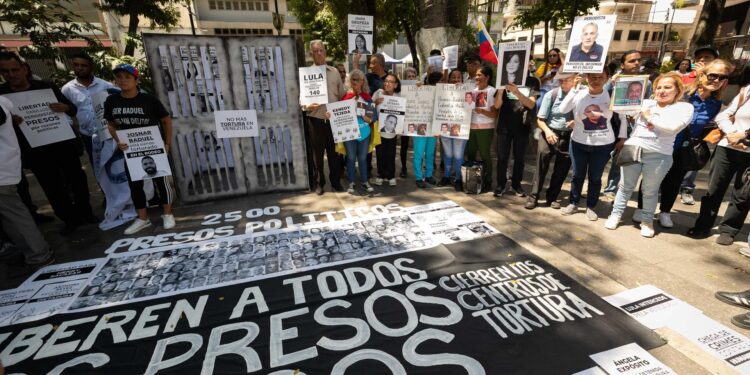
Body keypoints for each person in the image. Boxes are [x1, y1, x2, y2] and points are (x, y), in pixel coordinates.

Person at [0, 52, 93, 236]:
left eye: (15, 70)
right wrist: (10, 122)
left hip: (62, 143)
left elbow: (72, 109)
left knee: (77, 179)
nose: (11, 75)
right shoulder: (2, 95)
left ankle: (86, 213)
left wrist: (64, 107)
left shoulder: (46, 87)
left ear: (24, 69)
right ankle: (69, 219)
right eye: (5, 71)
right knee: (52, 187)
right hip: (34, 150)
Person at [634, 59, 731, 228]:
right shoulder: (683, 94)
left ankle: (665, 211)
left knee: (674, 181)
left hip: (685, 149)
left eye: (721, 77)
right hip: (662, 142)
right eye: (713, 75)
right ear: (702, 75)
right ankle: (642, 208)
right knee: (651, 177)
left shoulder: (715, 104)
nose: (716, 80)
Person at [605, 72, 693, 237]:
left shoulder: (684, 107)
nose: (661, 91)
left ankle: (647, 221)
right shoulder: (645, 102)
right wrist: (617, 87)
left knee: (650, 190)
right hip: (634, 149)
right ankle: (615, 215)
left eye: (667, 87)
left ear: (677, 90)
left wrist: (648, 117)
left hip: (660, 155)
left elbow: (672, 128)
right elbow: (618, 107)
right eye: (658, 87)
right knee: (625, 187)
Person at [106, 64, 176, 235]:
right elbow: (110, 124)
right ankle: (142, 218)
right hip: (131, 150)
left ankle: (167, 214)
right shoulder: (112, 101)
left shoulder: (149, 100)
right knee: (135, 184)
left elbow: (166, 120)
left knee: (161, 181)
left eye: (127, 77)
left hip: (153, 146)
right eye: (119, 77)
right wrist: (118, 140)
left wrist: (167, 144)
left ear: (136, 80)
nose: (122, 80)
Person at [559, 69, 626, 220]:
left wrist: (622, 138)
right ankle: (574, 202)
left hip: (603, 145)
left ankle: (591, 206)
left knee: (595, 177)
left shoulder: (612, 94)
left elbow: (623, 117)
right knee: (577, 175)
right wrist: (574, 89)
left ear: (606, 78)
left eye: (600, 77)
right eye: (593, 77)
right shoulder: (579, 93)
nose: (596, 80)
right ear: (586, 77)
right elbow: (563, 109)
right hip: (578, 142)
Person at [689, 82, 750, 245]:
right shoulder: (746, 91)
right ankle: (703, 225)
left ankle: (728, 230)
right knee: (714, 188)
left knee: (743, 193)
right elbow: (723, 115)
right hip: (726, 147)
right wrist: (731, 133)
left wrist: (743, 135)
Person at [0, 97, 54, 272]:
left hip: (2, 171)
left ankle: (38, 254)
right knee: (10, 215)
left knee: (13, 214)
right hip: (5, 168)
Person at [603, 50, 650, 200]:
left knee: (620, 158)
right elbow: (602, 97)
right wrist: (611, 84)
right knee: (602, 156)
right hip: (611, 124)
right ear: (622, 65)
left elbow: (647, 103)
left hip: (631, 126)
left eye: (638, 60)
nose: (636, 63)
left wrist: (636, 116)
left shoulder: (646, 83)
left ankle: (611, 188)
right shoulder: (614, 80)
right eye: (632, 61)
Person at [526, 72, 576, 209]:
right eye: (561, 80)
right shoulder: (551, 95)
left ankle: (552, 197)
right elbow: (540, 119)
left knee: (562, 169)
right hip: (549, 133)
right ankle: (534, 197)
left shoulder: (579, 96)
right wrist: (548, 132)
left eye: (567, 80)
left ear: (575, 80)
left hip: (568, 136)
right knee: (541, 166)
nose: (563, 82)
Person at [301, 40, 345, 195]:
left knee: (335, 154)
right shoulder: (306, 74)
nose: (319, 53)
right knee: (317, 155)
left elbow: (341, 96)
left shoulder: (334, 72)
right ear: (311, 54)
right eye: (315, 51)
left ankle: (336, 182)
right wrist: (307, 106)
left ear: (325, 52)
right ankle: (319, 183)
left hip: (334, 121)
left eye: (321, 50)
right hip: (315, 120)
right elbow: (301, 100)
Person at [680, 46, 719, 204]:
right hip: (680, 131)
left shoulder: (719, 79)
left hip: (698, 134)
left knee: (693, 160)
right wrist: (698, 76)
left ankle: (686, 189)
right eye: (700, 57)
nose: (702, 60)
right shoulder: (686, 78)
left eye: (707, 57)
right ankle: (665, 187)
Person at [62, 52, 115, 166]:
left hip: (108, 132)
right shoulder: (67, 89)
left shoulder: (106, 86)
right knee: (96, 164)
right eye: (76, 65)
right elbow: (66, 113)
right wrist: (72, 131)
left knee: (113, 161)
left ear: (91, 67)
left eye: (84, 65)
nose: (80, 68)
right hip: (87, 135)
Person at [495, 71, 540, 197]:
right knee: (502, 158)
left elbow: (531, 104)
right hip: (504, 126)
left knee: (519, 158)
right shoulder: (504, 79)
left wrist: (516, 92)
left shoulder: (532, 81)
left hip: (522, 126)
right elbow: (497, 105)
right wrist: (500, 91)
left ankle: (516, 184)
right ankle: (501, 185)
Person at [335, 69, 375, 194]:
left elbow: (372, 117)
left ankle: (364, 181)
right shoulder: (345, 97)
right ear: (350, 81)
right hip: (349, 133)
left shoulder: (367, 97)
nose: (357, 82)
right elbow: (338, 115)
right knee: (351, 157)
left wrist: (366, 117)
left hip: (364, 132)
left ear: (363, 82)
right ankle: (351, 182)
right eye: (354, 79)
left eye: (360, 80)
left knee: (363, 158)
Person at [466, 66, 499, 192]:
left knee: (485, 155)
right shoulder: (472, 91)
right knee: (470, 154)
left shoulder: (492, 91)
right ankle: (472, 181)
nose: (477, 77)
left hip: (486, 129)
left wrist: (481, 111)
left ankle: (488, 181)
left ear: (487, 77)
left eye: (480, 75)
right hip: (471, 127)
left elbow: (494, 114)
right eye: (477, 75)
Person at [439, 69, 468, 190]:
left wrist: (464, 91)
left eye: (458, 77)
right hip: (445, 128)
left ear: (462, 79)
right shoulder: (442, 91)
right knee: (448, 154)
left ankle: (458, 179)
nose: (456, 80)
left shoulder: (468, 90)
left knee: (458, 155)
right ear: (449, 79)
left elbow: (471, 107)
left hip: (460, 128)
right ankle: (446, 176)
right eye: (453, 77)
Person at [413, 72, 442, 188]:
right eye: (441, 80)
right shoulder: (423, 89)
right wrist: (418, 86)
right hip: (420, 125)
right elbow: (411, 95)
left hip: (433, 127)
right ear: (436, 81)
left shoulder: (442, 93)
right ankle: (419, 177)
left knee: (430, 153)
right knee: (419, 153)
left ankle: (429, 175)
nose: (444, 82)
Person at [372, 73, 400, 186]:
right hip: (380, 131)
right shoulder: (378, 93)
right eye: (386, 81)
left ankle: (391, 176)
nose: (387, 83)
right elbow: (368, 106)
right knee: (380, 154)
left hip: (393, 133)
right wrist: (375, 103)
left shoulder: (399, 96)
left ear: (396, 85)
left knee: (391, 154)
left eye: (391, 82)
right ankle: (380, 175)